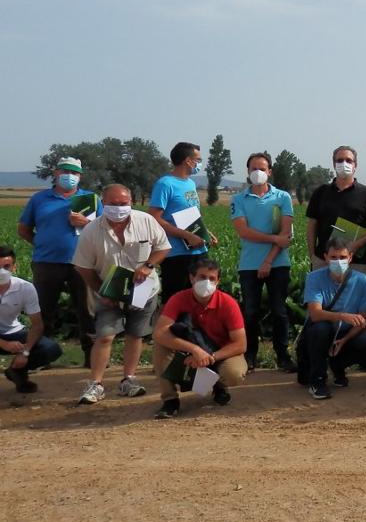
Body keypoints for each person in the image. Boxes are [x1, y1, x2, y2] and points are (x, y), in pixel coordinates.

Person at [72, 184, 171, 405]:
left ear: (131, 202)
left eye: (123, 204)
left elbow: (163, 247)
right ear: (103, 204)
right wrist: (102, 292)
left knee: (135, 334)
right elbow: (83, 267)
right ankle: (96, 383)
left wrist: (148, 265)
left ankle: (129, 379)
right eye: (113, 204)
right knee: (105, 335)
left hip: (144, 289)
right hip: (108, 289)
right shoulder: (91, 231)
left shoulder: (145, 221)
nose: (118, 208)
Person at [17, 156, 98, 360]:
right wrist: (43, 244)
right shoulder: (40, 199)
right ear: (56, 173)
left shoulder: (91, 199)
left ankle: (93, 356)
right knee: (43, 311)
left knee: (88, 311)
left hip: (83, 263)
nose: (69, 176)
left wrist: (86, 222)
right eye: (65, 171)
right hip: (46, 263)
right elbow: (24, 229)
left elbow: (103, 231)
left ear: (80, 176)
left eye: (74, 173)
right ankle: (42, 356)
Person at [150, 258, 247, 419]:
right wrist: (193, 350)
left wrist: (209, 358)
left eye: (212, 278)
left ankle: (220, 386)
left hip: (219, 352)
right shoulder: (178, 299)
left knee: (234, 373)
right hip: (188, 350)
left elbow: (240, 344)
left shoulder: (228, 303)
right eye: (202, 277)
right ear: (191, 278)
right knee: (160, 345)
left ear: (218, 281)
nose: (207, 282)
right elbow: (160, 332)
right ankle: (170, 400)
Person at [230, 152, 295, 372]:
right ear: (248, 172)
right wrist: (272, 238)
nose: (258, 172)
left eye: (262, 168)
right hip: (249, 264)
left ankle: (283, 356)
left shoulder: (283, 197)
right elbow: (243, 231)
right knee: (250, 312)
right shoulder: (238, 199)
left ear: (270, 171)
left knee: (279, 311)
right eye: (253, 168)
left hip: (278, 263)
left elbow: (285, 235)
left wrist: (268, 260)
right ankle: (250, 356)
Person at [301, 236, 366, 400]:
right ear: (325, 257)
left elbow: (362, 320)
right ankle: (317, 381)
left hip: (345, 335)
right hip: (320, 334)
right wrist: (342, 316)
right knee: (321, 328)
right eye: (333, 257)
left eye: (343, 257)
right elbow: (315, 314)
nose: (338, 261)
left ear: (350, 257)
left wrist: (344, 340)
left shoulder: (363, 281)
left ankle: (337, 364)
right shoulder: (314, 278)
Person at [149, 141, 215, 299]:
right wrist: (187, 236)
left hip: (198, 251)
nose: (200, 163)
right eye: (198, 160)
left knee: (199, 298)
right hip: (176, 254)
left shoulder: (190, 183)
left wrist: (206, 232)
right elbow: (154, 219)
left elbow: (193, 214)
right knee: (176, 301)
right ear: (188, 160)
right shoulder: (165, 184)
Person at [306, 145, 366, 273]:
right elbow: (311, 226)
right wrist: (312, 256)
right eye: (340, 160)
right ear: (334, 164)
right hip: (323, 260)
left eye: (349, 160)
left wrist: (356, 245)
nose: (344, 163)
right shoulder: (320, 192)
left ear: (355, 165)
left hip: (355, 262)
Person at [0, 245, 63, 393]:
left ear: (14, 267)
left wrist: (25, 351)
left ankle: (18, 370)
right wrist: (4, 344)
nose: (2, 271)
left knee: (51, 349)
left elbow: (37, 325)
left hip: (13, 332)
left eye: (6, 266)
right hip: (4, 341)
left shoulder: (25, 288)